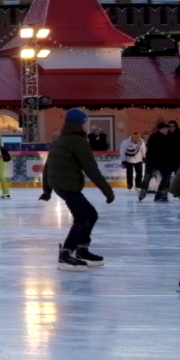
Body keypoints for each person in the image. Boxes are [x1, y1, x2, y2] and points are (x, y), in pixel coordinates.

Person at [40, 109, 114, 271]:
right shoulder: (78, 141)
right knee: (82, 221)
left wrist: (47, 190)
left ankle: (82, 250)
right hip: (68, 186)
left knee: (91, 215)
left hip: (61, 185)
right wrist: (107, 191)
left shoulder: (61, 139)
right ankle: (65, 254)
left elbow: (47, 166)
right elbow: (91, 169)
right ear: (81, 123)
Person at [139, 122, 170, 202]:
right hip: (152, 160)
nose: (167, 129)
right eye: (166, 128)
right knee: (147, 176)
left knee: (166, 176)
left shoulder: (167, 137)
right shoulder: (153, 137)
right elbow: (152, 150)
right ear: (161, 129)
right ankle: (143, 191)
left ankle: (160, 192)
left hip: (162, 160)